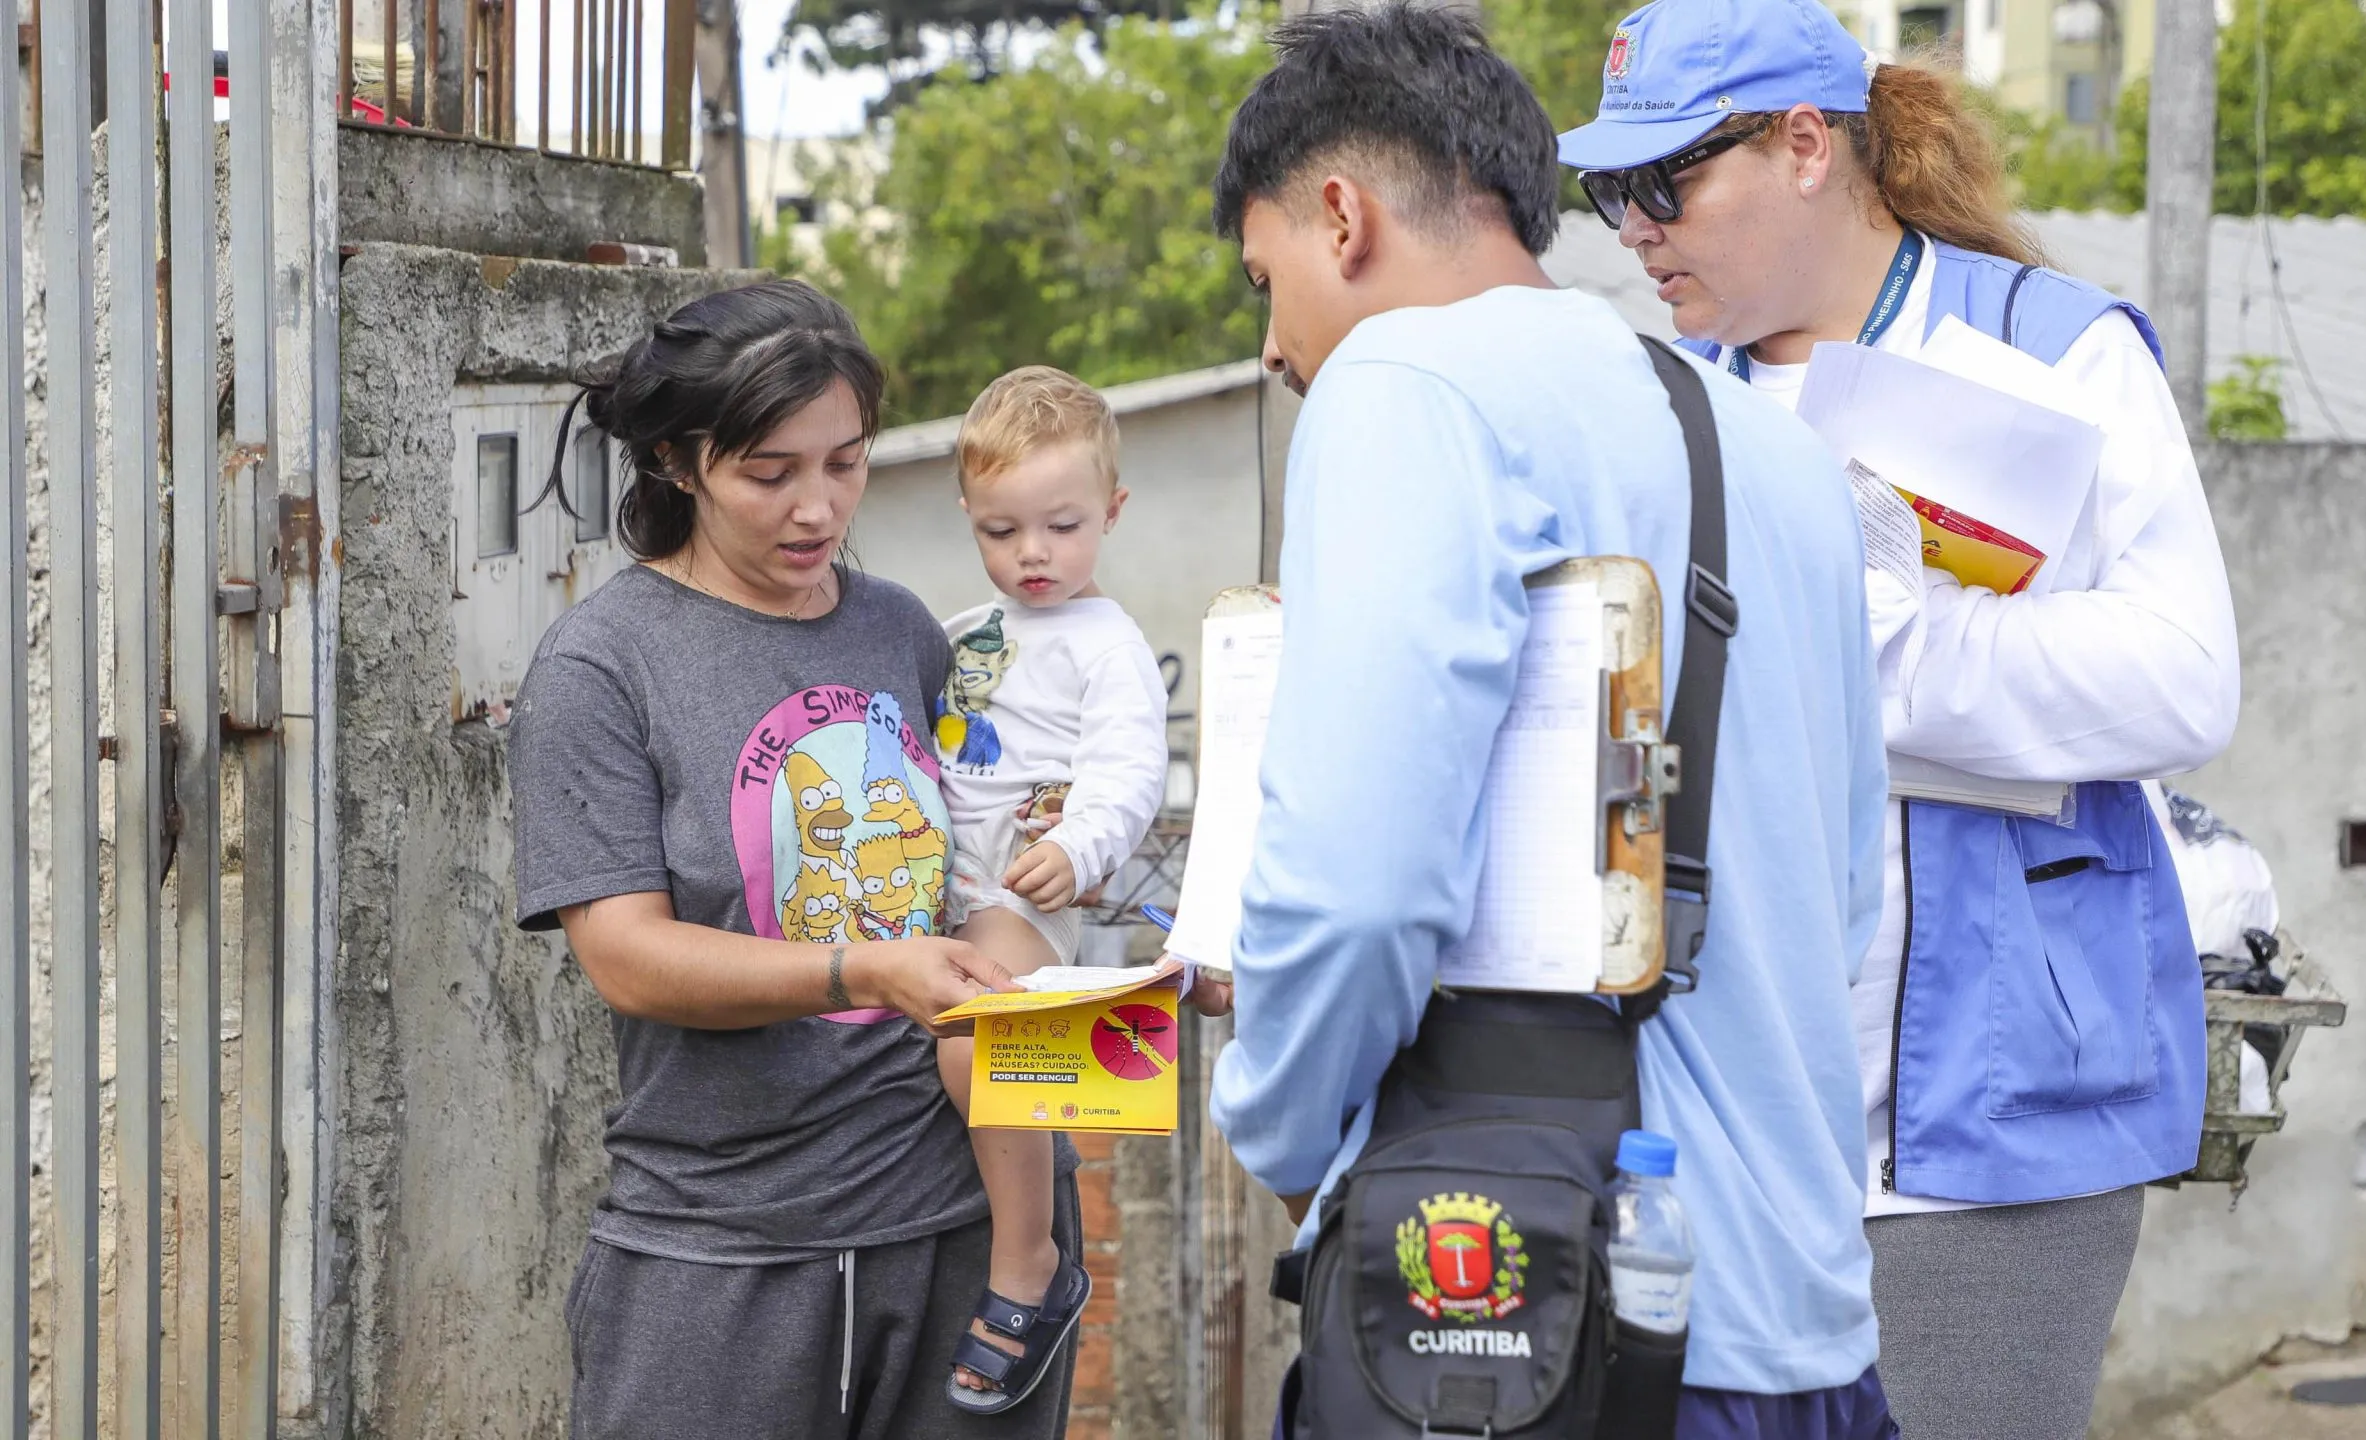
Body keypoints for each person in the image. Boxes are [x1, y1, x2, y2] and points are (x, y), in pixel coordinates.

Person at [1203, 7, 1897, 1436]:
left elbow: (1356, 889)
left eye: (1266, 281)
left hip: (1545, 1326)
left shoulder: (1404, 387)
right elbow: (1841, 900)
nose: (1276, 347)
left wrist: (1277, 1127)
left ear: (1340, 217)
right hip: (1798, 1326)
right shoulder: (1766, 442)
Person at [1557, 2, 2240, 1435]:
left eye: (1661, 183)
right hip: (1726, 1122)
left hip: (1988, 1134)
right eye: (1604, 194)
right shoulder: (1671, 399)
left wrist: (1895, 649)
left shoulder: (2051, 350)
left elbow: (2186, 678)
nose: (1633, 229)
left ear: (1806, 146)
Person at [506, 280, 1082, 1440]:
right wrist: (860, 971)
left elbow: (979, 864)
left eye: (846, 463)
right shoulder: (600, 669)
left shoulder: (905, 630)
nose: (817, 508)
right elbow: (624, 957)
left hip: (966, 1230)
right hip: (724, 1250)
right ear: (679, 462)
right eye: (770, 473)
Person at [928, 366, 1169, 1413]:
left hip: (1022, 893)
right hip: (935, 877)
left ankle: (1030, 1263)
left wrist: (1078, 847)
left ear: (1110, 513)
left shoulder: (1107, 646)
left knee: (967, 1039)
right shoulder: (959, 630)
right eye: (1001, 530)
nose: (1032, 554)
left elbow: (1129, 774)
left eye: (1061, 527)